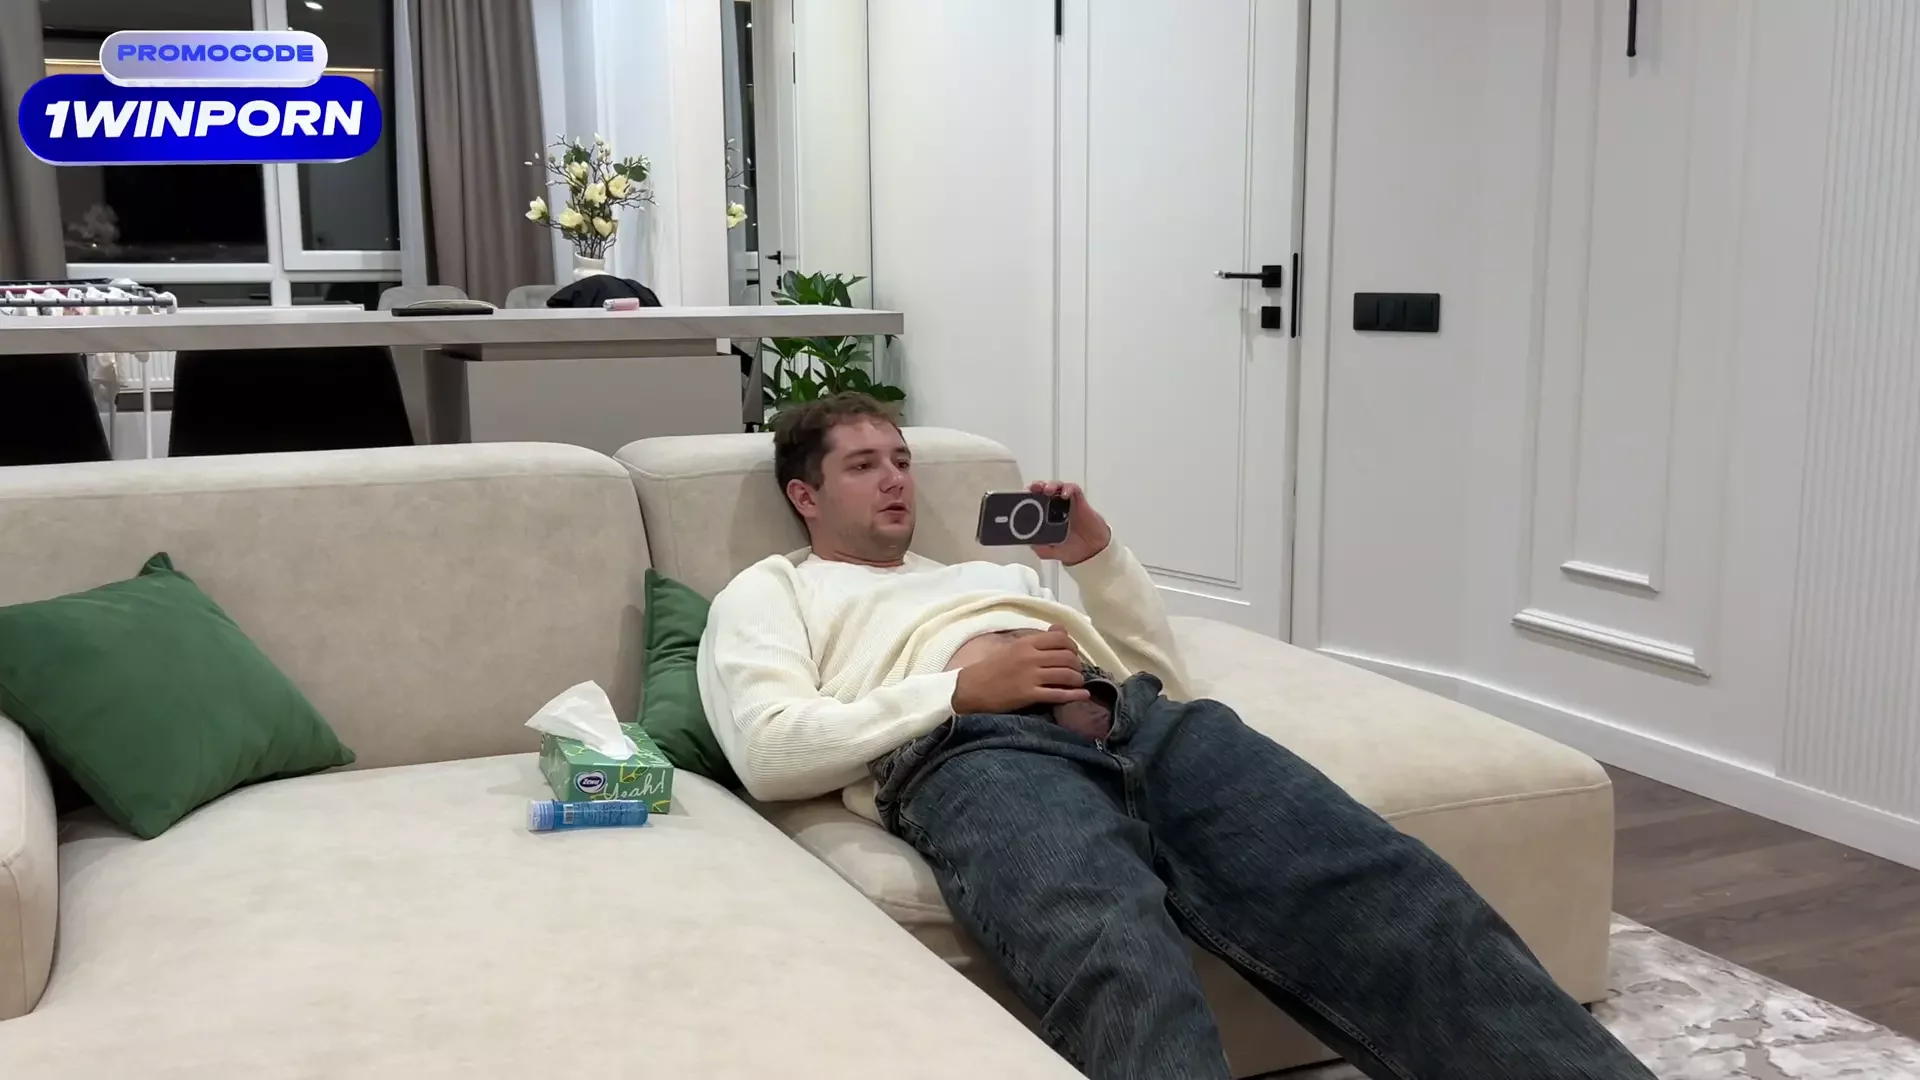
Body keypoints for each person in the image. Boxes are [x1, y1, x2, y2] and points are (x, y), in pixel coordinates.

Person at [697, 392, 1654, 1080]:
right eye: (863, 465)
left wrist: (1095, 558)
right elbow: (769, 751)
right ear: (806, 496)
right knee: (1122, 960)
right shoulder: (774, 591)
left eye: (902, 459)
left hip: (1144, 726)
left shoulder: (983, 575)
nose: (895, 479)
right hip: (978, 756)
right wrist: (959, 691)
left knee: (1394, 891)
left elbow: (1161, 670)